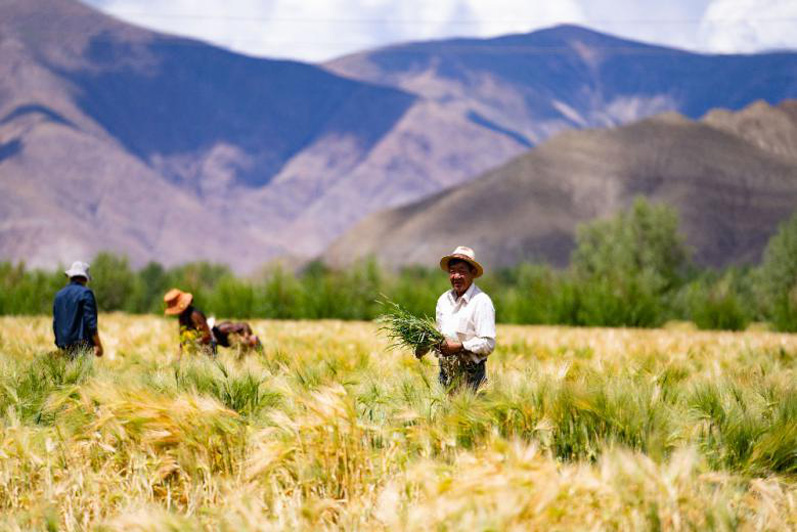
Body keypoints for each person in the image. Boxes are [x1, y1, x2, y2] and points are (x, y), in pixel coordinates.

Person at [415, 246, 496, 391]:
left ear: (472, 273)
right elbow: (441, 335)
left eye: (462, 271)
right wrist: (426, 343)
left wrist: (460, 347)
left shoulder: (481, 302)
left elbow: (488, 343)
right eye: (452, 271)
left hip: (471, 377)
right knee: (442, 413)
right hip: (445, 374)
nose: (456, 276)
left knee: (468, 412)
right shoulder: (443, 300)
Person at [53, 261, 104, 358]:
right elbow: (91, 323)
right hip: (81, 347)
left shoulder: (59, 295)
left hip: (62, 344)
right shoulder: (86, 293)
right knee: (82, 373)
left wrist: (59, 343)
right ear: (85, 278)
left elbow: (55, 323)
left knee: (65, 372)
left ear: (70, 277)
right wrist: (98, 345)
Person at [163, 288, 216, 356]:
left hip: (207, 349)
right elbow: (182, 338)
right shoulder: (182, 317)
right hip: (193, 353)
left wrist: (194, 343)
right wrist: (179, 356)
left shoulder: (195, 315)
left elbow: (207, 334)